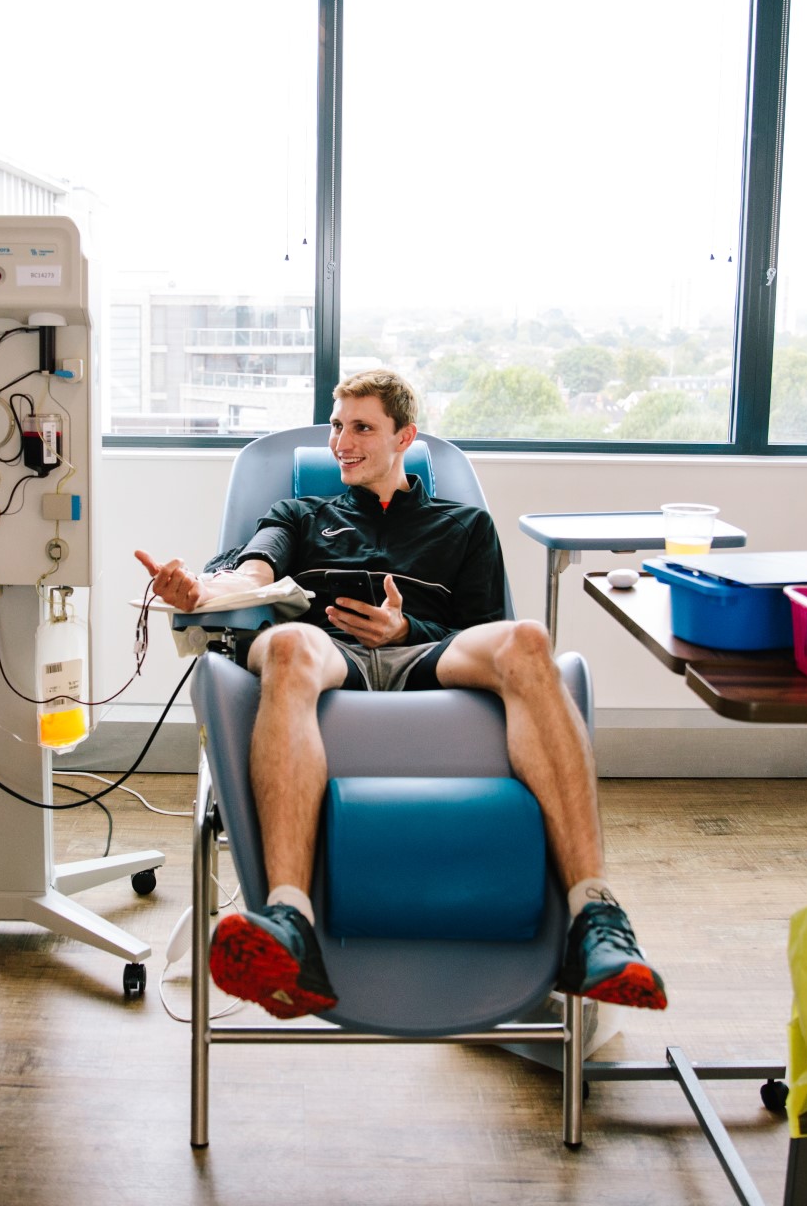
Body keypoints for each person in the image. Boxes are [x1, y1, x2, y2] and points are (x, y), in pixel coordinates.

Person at [135, 369, 666, 1020]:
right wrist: (201, 592)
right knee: (289, 644)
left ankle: (596, 918)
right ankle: (289, 920)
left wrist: (406, 628)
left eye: (362, 428)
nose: (342, 443)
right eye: (338, 427)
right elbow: (253, 574)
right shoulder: (299, 514)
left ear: (405, 437)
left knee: (528, 639)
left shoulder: (464, 526)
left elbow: (481, 626)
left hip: (429, 656)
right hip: (330, 654)